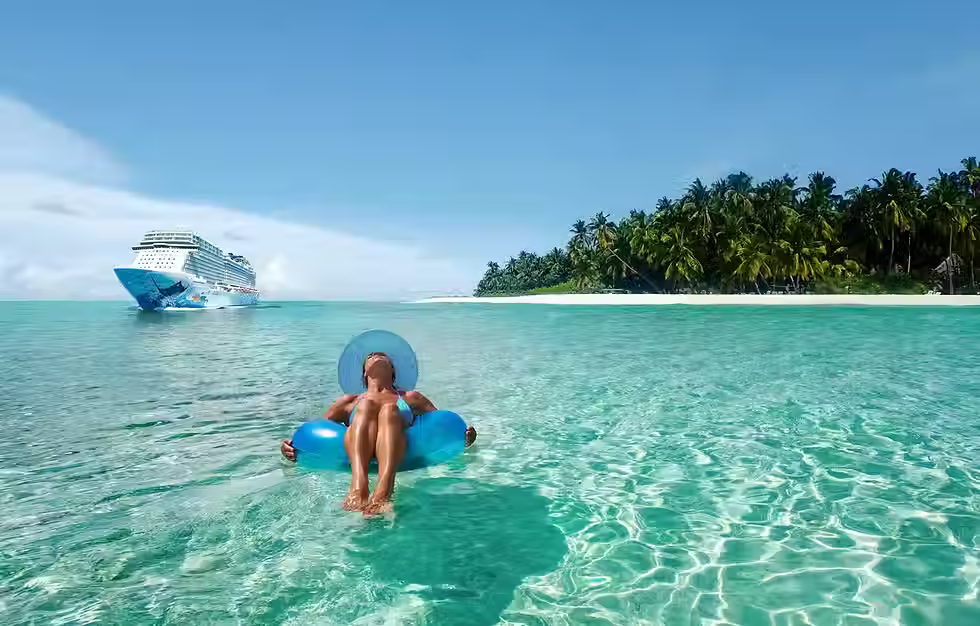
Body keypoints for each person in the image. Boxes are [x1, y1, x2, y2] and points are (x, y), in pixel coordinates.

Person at [280, 331, 477, 515]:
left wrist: (463, 437)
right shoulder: (349, 401)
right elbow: (319, 434)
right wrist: (292, 448)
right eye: (371, 356)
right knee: (366, 406)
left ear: (393, 371)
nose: (376, 355)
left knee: (390, 410)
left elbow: (440, 427)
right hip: (360, 441)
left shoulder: (410, 398)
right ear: (364, 374)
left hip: (396, 440)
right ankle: (358, 487)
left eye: (383, 356)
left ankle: (384, 489)